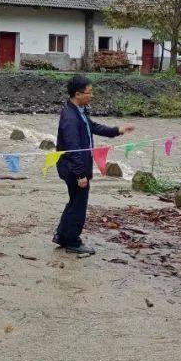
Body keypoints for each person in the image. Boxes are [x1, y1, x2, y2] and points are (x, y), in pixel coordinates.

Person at [53, 75, 135, 255]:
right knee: (79, 205)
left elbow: (93, 127)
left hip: (76, 166)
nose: (92, 96)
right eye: (89, 93)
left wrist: (117, 131)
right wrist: (80, 174)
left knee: (74, 201)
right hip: (73, 167)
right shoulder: (70, 117)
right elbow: (73, 148)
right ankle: (73, 242)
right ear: (77, 94)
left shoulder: (79, 111)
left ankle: (62, 236)